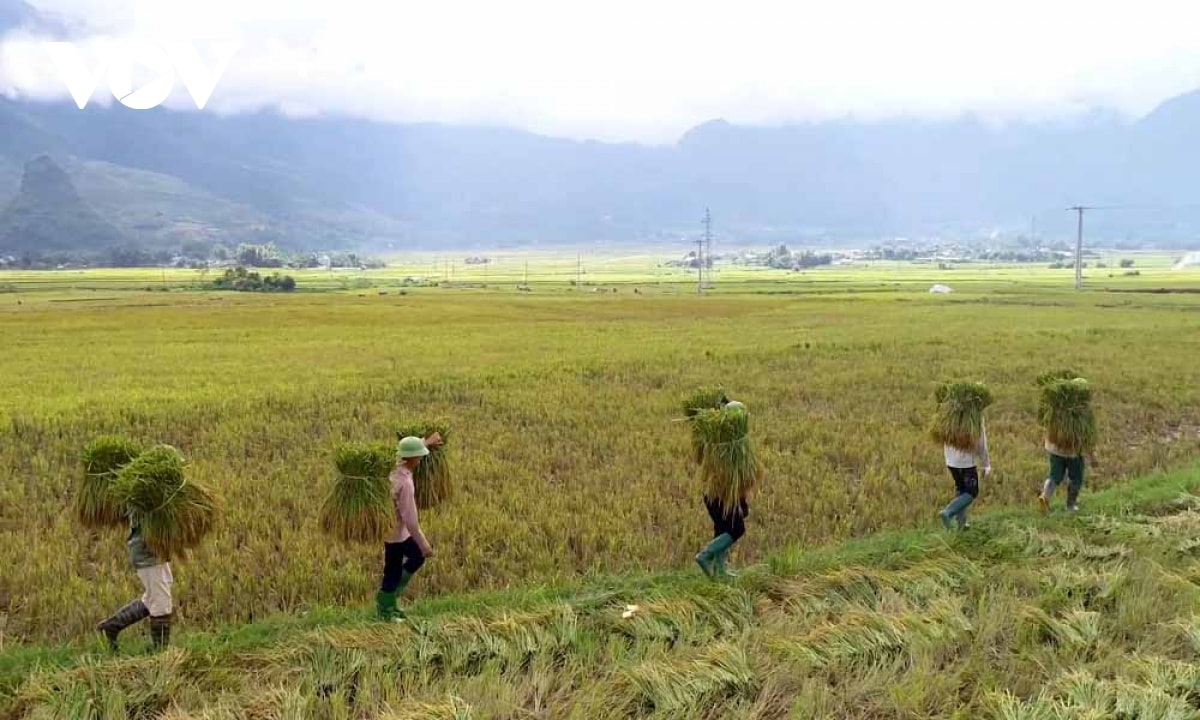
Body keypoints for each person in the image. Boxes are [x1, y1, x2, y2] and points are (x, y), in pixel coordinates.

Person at [376, 432, 442, 621]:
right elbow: (410, 520)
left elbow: (405, 452)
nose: (421, 459)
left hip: (390, 531)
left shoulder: (392, 468)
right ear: (413, 459)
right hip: (397, 533)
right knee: (410, 560)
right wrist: (424, 544)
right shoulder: (405, 483)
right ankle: (386, 607)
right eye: (420, 456)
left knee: (394, 568)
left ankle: (389, 604)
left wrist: (426, 442)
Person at [96, 517, 173, 651]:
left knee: (153, 597)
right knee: (161, 601)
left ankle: (110, 627)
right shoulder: (145, 500)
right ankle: (161, 653)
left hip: (155, 550)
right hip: (147, 551)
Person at [695, 399, 750, 579]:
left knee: (722, 530)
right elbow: (735, 477)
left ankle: (720, 570)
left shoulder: (716, 439)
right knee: (736, 529)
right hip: (723, 495)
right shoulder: (733, 446)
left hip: (712, 494)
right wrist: (741, 500)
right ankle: (705, 555)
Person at [940, 418, 991, 530]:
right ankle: (948, 512)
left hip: (950, 460)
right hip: (965, 462)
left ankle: (961, 524)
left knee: (961, 488)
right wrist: (985, 464)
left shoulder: (949, 410)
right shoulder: (974, 415)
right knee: (971, 491)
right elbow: (981, 442)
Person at [1039, 441, 1095, 512]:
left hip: (1055, 449)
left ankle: (1045, 495)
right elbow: (1085, 436)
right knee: (1076, 478)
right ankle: (1070, 505)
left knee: (1055, 476)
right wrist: (1091, 455)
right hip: (1073, 451)